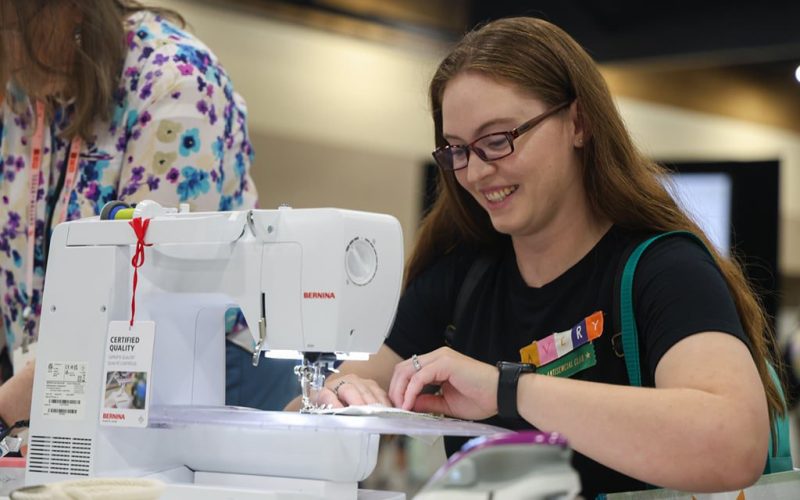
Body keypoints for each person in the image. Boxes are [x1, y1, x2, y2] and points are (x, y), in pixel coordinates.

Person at [287, 17, 783, 497]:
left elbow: (732, 443)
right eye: (458, 149)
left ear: (579, 123)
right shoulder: (460, 280)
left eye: (498, 140)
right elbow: (306, 411)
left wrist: (506, 391)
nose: (477, 173)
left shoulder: (662, 271)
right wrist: (333, 402)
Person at [0, 0, 296, 429]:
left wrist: (14, 404)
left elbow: (147, 293)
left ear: (70, 9)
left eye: (11, 28)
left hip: (203, 377)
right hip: (58, 384)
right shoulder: (26, 89)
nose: (8, 55)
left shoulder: (175, 80)